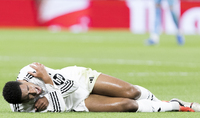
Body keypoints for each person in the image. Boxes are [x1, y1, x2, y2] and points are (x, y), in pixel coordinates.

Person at [3, 62, 200, 113]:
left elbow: (70, 86)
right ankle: (175, 105)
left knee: (132, 92)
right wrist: (52, 91)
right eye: (29, 96)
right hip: (77, 103)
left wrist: (47, 81)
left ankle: (159, 103)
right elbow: (61, 108)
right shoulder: (19, 107)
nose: (34, 92)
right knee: (127, 105)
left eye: (29, 87)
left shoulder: (31, 71)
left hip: (78, 78)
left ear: (23, 80)